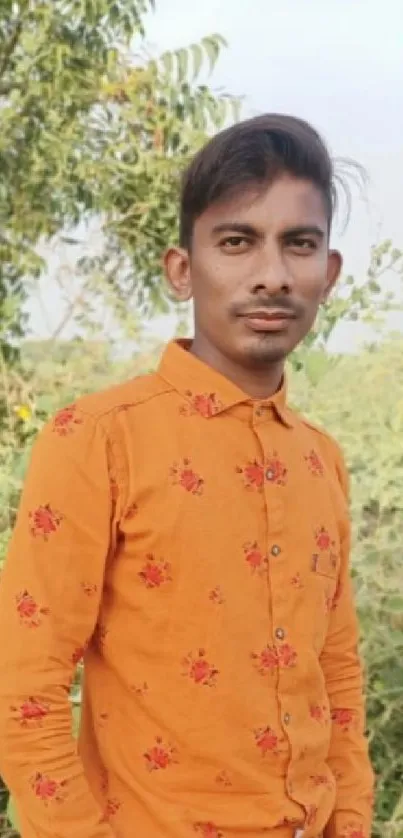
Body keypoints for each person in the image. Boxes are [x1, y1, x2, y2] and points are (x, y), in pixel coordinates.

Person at [0, 114, 374, 838]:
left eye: (298, 244)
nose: (271, 274)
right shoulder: (100, 439)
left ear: (326, 274)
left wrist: (352, 816)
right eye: (237, 242)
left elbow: (335, 672)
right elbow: (25, 686)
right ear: (182, 268)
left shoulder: (318, 458)